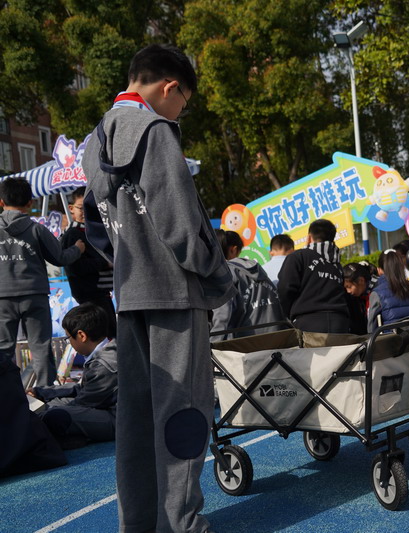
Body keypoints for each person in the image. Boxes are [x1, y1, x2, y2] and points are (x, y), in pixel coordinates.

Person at [81, 44, 234, 533]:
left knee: (136, 419)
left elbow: (94, 225)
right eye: (182, 104)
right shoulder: (156, 131)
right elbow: (182, 223)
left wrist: (129, 260)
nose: (179, 114)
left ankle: (141, 523)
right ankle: (181, 525)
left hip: (130, 294)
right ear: (170, 87)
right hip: (174, 292)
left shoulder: (94, 140)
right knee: (183, 411)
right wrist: (217, 273)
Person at [0, 177, 85, 388]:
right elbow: (60, 258)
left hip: (2, 297)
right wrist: (78, 249)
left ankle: (5, 395)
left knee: (3, 350)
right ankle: (46, 395)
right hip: (34, 294)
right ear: (30, 203)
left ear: (1, 202)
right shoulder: (36, 229)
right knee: (40, 348)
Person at [30, 303, 117, 450]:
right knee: (51, 406)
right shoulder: (107, 350)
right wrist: (42, 393)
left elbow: (83, 403)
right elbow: (81, 388)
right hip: (102, 406)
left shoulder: (104, 365)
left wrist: (45, 410)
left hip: (117, 420)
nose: (68, 342)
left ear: (82, 335)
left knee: (54, 416)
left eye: (68, 337)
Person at [61, 187, 116, 338]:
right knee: (105, 334)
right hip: (90, 293)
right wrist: (104, 263)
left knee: (109, 332)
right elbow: (75, 267)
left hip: (101, 293)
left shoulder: (93, 231)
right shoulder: (73, 234)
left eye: (90, 207)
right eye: (81, 208)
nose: (85, 211)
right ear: (71, 209)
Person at [211, 230, 286, 340]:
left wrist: (213, 344)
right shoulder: (260, 272)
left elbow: (222, 316)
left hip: (244, 344)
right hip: (276, 338)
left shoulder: (226, 273)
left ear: (233, 250)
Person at [278, 219, 349, 333]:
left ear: (309, 237)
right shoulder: (337, 264)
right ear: (332, 239)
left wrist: (287, 314)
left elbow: (285, 288)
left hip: (308, 323)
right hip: (340, 322)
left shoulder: (298, 257)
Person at [368, 249, 409, 333]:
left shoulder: (377, 293)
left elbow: (371, 328)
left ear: (379, 270)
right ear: (402, 267)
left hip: (391, 339)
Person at [343, 262, 374, 335]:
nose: (348, 291)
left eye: (349, 287)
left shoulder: (377, 292)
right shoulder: (355, 297)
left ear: (361, 281)